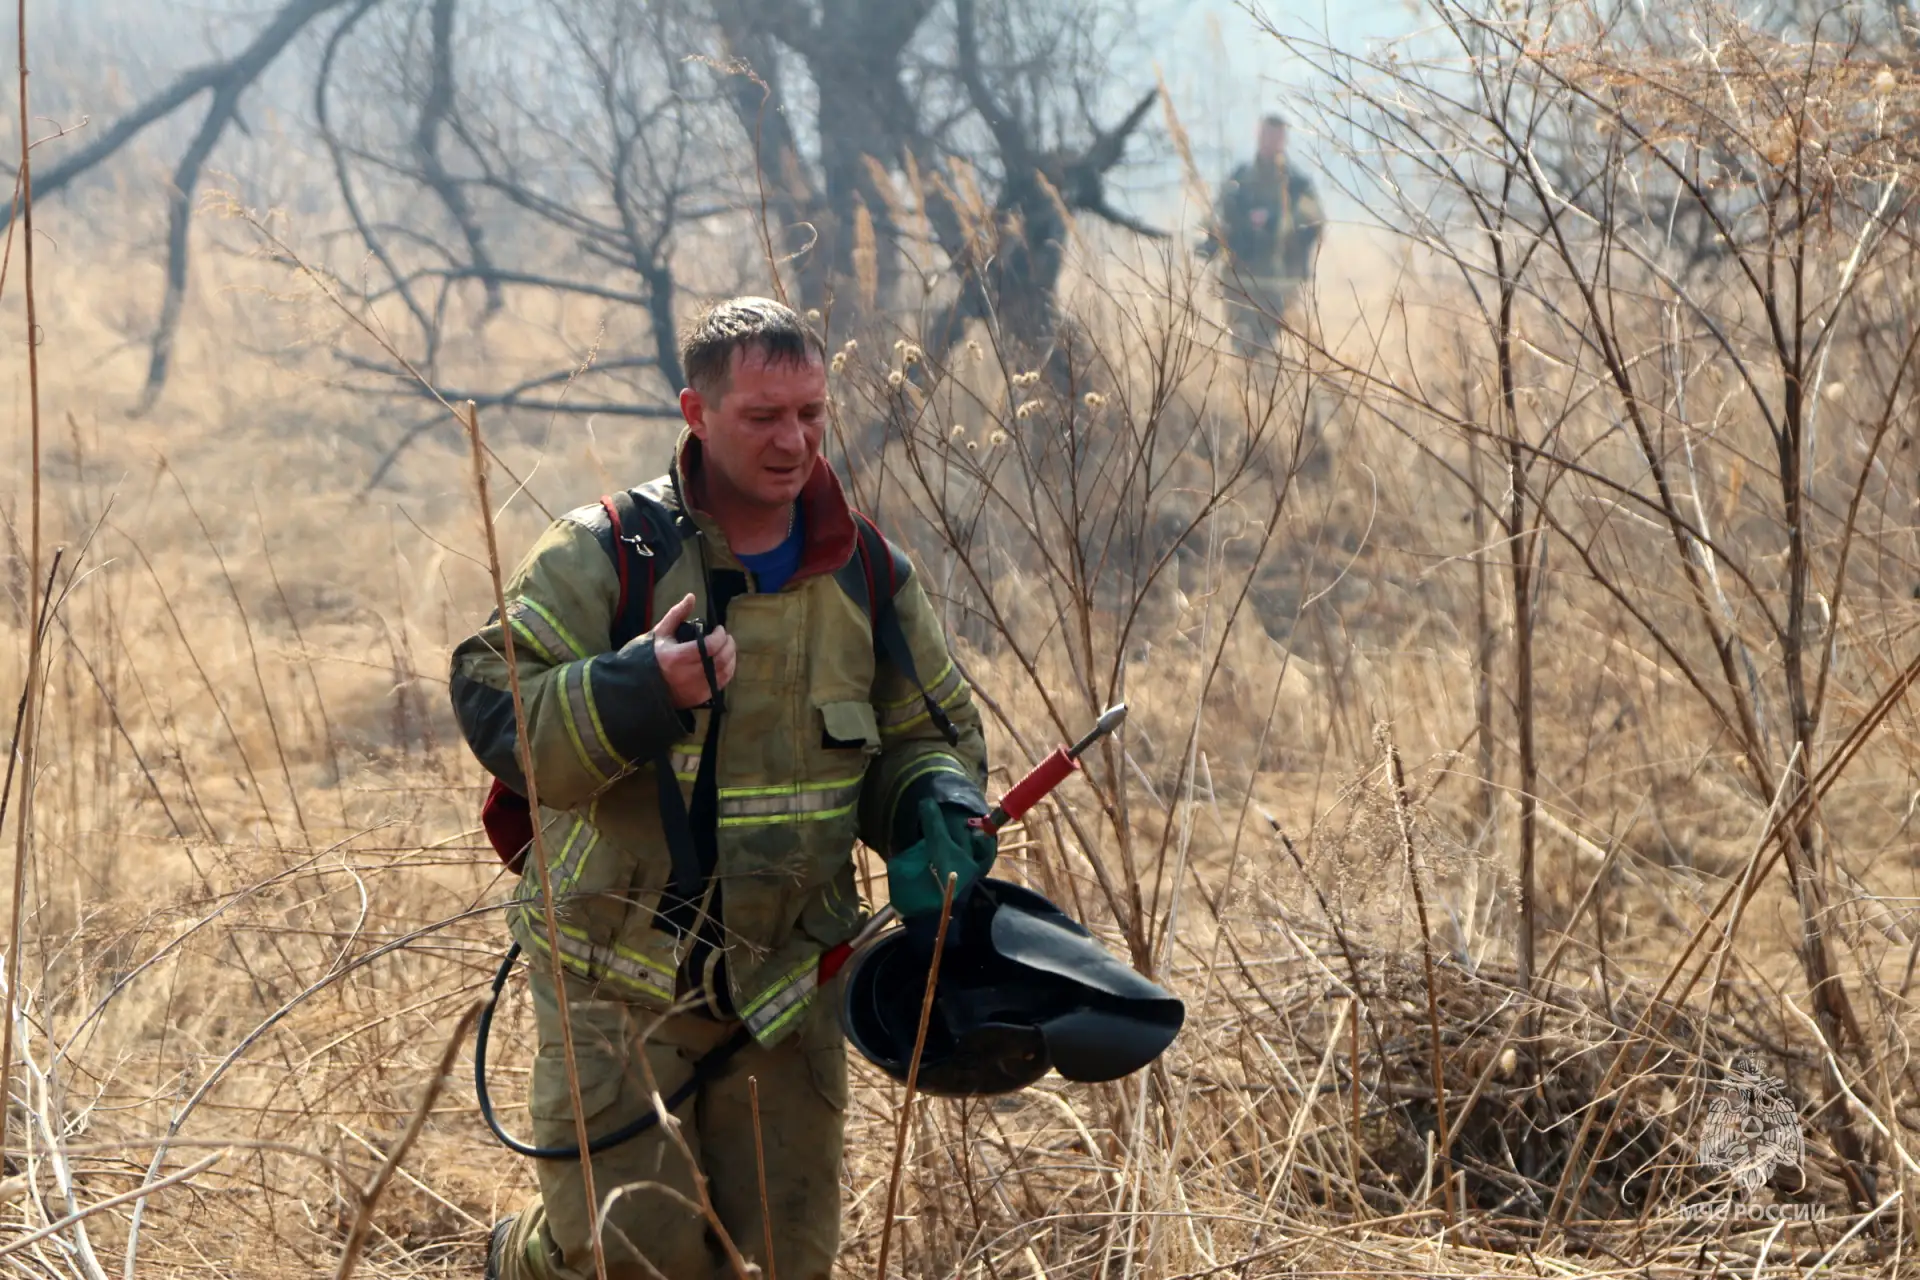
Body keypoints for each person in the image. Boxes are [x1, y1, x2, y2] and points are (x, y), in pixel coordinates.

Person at [451, 297, 994, 1280]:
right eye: (762, 416)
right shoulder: (605, 549)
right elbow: (495, 698)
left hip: (793, 978)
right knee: (633, 1258)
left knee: (788, 1257)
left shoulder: (869, 571)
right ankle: (536, 1261)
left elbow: (927, 733)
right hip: (612, 976)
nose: (794, 441)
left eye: (812, 414)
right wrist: (632, 691)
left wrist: (937, 806)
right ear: (696, 411)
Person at [1200, 113, 1325, 357]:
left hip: (1278, 280)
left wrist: (1278, 219)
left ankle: (1261, 392)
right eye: (1267, 135)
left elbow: (1314, 220)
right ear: (1258, 135)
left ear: (1284, 139)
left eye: (1276, 136)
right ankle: (1243, 393)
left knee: (1268, 348)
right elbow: (1216, 215)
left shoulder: (1297, 183)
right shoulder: (1240, 177)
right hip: (1239, 278)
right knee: (1241, 344)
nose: (1271, 141)